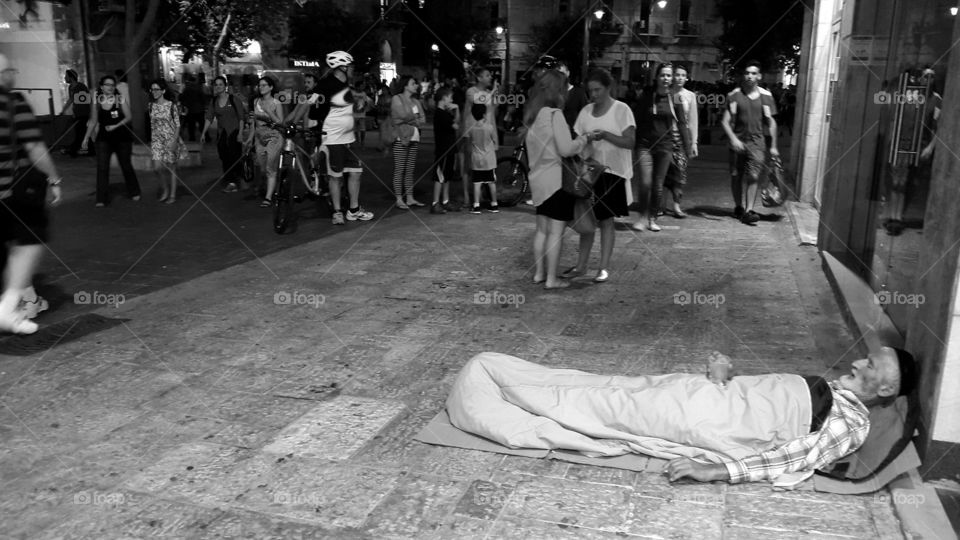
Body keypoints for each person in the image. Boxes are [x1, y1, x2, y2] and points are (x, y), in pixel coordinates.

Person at [447, 346, 918, 485]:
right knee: (608, 386)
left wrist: (715, 470)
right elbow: (770, 401)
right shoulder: (836, 392)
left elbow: (795, 456)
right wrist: (726, 376)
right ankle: (504, 378)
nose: (859, 361)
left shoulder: (850, 424)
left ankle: (493, 383)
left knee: (603, 404)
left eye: (871, 365)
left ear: (886, 389)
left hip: (704, 419)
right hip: (706, 397)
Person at [0, 53, 63, 334]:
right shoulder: (13, 102)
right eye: (9, 70)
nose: (13, 74)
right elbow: (36, 149)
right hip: (11, 190)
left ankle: (19, 302)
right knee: (30, 239)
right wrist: (54, 178)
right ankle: (10, 304)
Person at [565, 69, 635, 283]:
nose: (593, 95)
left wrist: (605, 136)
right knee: (586, 220)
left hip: (612, 172)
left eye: (597, 90)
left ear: (608, 88)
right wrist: (586, 141)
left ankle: (603, 267)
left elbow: (629, 142)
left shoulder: (622, 110)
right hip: (588, 172)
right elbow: (577, 140)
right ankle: (581, 265)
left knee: (606, 220)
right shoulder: (585, 111)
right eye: (590, 91)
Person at [524, 70, 587, 289]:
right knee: (556, 233)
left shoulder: (533, 116)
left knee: (541, 230)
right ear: (557, 90)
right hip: (557, 181)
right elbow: (566, 149)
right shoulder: (554, 115)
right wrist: (582, 140)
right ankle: (552, 279)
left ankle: (539, 274)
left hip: (538, 181)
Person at [313, 51, 374, 225]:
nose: (353, 69)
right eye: (351, 66)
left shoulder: (347, 84)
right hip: (333, 138)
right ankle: (337, 212)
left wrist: (362, 101)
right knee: (335, 177)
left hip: (349, 138)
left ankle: (353, 210)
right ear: (342, 67)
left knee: (356, 173)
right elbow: (308, 103)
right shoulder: (325, 84)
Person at [631, 63, 690, 232]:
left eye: (669, 76)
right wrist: (632, 141)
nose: (666, 78)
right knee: (645, 182)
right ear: (656, 77)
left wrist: (687, 146)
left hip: (665, 146)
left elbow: (683, 123)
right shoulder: (646, 95)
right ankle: (642, 217)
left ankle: (652, 217)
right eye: (663, 75)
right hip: (644, 145)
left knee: (658, 184)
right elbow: (636, 119)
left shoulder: (676, 97)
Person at [721, 60, 779, 226]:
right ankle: (739, 206)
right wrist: (732, 138)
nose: (750, 76)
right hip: (737, 142)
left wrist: (774, 145)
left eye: (753, 73)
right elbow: (725, 121)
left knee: (753, 175)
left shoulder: (766, 97)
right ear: (743, 75)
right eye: (747, 73)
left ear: (759, 76)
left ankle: (749, 210)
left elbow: (771, 122)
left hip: (757, 142)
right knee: (735, 175)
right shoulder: (734, 96)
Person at [80, 75, 141, 207]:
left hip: (122, 138)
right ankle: (101, 198)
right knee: (102, 168)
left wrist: (115, 126)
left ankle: (134, 191)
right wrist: (86, 137)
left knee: (126, 165)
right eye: (107, 85)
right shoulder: (97, 102)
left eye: (112, 85)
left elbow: (129, 116)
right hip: (104, 138)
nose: (110, 87)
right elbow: (93, 121)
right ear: (101, 87)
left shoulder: (120, 99)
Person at [200, 75, 247, 193]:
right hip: (222, 133)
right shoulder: (214, 101)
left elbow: (241, 117)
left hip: (234, 131)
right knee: (223, 156)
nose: (218, 87)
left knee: (233, 156)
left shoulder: (234, 99)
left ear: (225, 86)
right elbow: (209, 117)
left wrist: (240, 133)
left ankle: (233, 182)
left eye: (221, 84)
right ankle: (235, 177)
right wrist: (203, 133)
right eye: (216, 85)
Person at [460, 68, 498, 210]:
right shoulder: (471, 91)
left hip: (486, 131)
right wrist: (493, 91)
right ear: (479, 78)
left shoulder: (489, 93)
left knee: (484, 165)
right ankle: (466, 196)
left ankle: (479, 196)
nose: (490, 77)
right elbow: (479, 101)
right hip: (471, 131)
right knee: (469, 165)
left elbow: (492, 112)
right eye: (487, 75)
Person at [665, 65, 699, 218]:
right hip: (664, 138)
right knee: (663, 173)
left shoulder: (690, 96)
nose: (679, 78)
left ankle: (676, 206)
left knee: (680, 174)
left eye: (682, 75)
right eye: (677, 74)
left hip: (681, 140)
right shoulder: (665, 93)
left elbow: (693, 121)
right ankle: (661, 205)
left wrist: (694, 142)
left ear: (687, 78)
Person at [244, 76, 283, 208]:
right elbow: (253, 123)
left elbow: (280, 122)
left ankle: (268, 197)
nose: (261, 87)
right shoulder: (255, 101)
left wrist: (267, 112)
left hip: (274, 137)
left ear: (271, 87)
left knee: (270, 168)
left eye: (264, 85)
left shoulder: (276, 103)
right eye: (260, 85)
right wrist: (250, 138)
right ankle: (274, 188)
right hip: (259, 138)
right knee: (262, 168)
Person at [147, 80, 187, 204]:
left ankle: (172, 195)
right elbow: (152, 125)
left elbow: (178, 125)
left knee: (171, 168)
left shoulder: (171, 106)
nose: (154, 92)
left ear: (163, 91)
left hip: (170, 138)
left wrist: (174, 140)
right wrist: (152, 141)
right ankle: (165, 189)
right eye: (152, 89)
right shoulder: (151, 106)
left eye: (157, 89)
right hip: (157, 140)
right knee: (156, 168)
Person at [390, 75, 426, 209]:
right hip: (401, 137)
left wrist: (411, 119)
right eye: (413, 83)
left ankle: (410, 197)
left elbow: (423, 119)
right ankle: (399, 198)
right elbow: (401, 115)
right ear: (405, 85)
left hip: (414, 137)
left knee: (410, 170)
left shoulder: (416, 101)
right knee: (399, 169)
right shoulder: (397, 98)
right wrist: (414, 118)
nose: (416, 86)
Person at [430, 87, 460, 214]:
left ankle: (445, 201)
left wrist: (456, 109)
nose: (451, 100)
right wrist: (457, 108)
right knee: (440, 176)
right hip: (444, 149)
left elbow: (456, 124)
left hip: (449, 148)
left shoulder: (445, 113)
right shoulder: (440, 114)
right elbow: (456, 125)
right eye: (450, 97)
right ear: (444, 98)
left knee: (447, 175)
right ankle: (435, 202)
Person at [467, 103, 499, 214]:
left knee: (477, 183)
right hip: (489, 159)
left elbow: (469, 142)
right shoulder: (489, 127)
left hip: (476, 159)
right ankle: (494, 204)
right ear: (484, 115)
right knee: (491, 183)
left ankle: (476, 205)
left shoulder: (471, 129)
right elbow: (494, 140)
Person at [60, 69, 90, 157]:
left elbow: (86, 100)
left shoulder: (81, 86)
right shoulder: (70, 88)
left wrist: (80, 112)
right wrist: (64, 110)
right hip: (77, 114)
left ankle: (73, 151)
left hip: (83, 114)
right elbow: (71, 100)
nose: (65, 78)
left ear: (71, 77)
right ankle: (90, 150)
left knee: (80, 132)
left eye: (66, 76)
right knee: (82, 132)